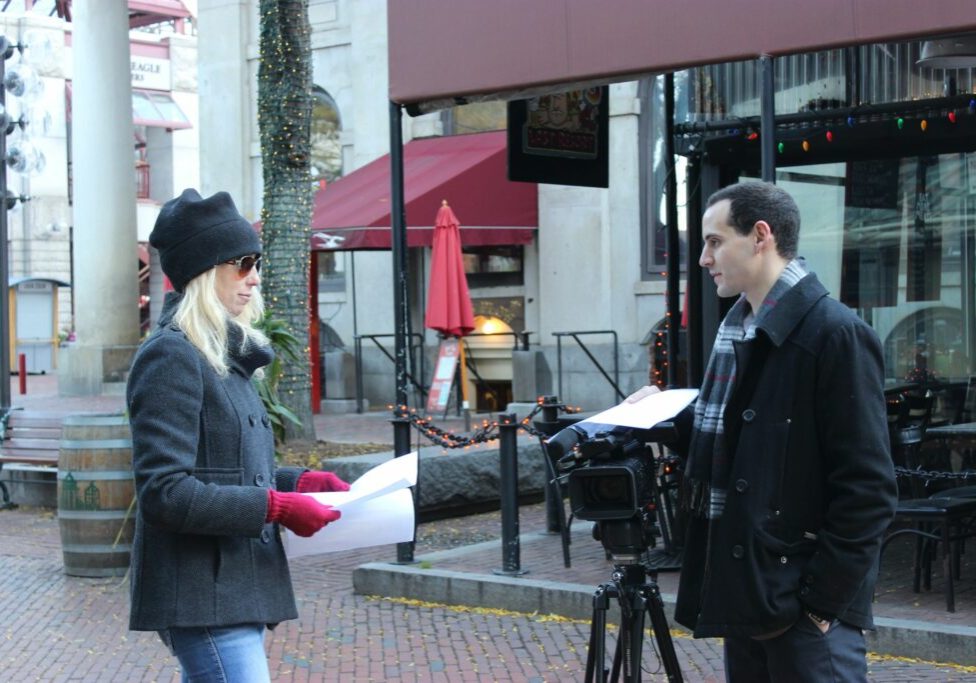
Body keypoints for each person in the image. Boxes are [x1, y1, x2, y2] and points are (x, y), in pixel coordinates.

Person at [658, 182, 896, 681]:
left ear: (760, 235)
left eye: (715, 241)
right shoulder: (740, 332)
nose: (704, 258)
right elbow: (744, 443)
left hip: (800, 607)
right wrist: (662, 417)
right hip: (748, 595)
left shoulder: (834, 333)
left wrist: (820, 606)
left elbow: (868, 489)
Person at [126, 188, 350, 682]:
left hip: (228, 584)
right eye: (241, 263)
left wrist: (298, 482)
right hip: (200, 591)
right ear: (204, 272)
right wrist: (277, 507)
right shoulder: (172, 356)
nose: (254, 276)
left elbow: (227, 467)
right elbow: (165, 492)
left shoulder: (221, 354)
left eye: (257, 262)